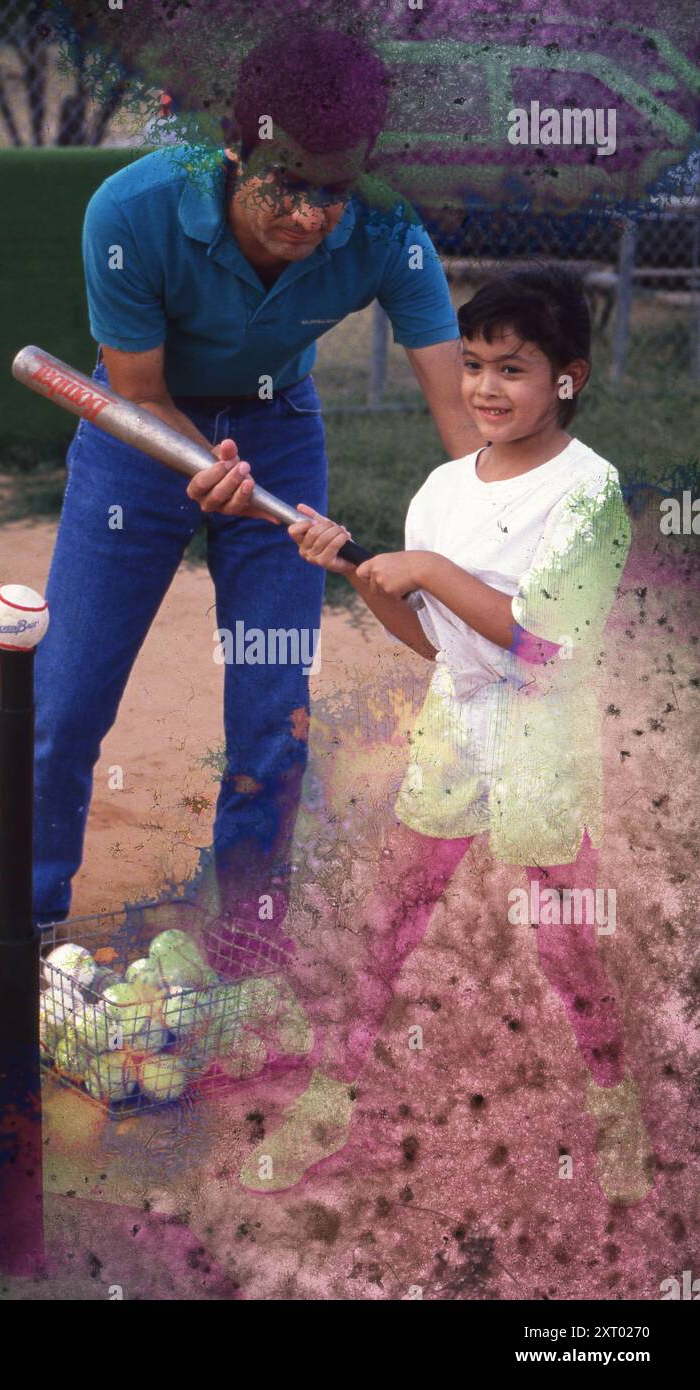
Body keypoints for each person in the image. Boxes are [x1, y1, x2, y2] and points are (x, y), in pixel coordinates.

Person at [0, 24, 483, 999]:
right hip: (141, 433)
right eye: (286, 184)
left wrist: (511, 529)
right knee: (68, 698)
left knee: (272, 709)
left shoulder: (384, 228)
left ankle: (244, 935)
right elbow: (139, 390)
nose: (310, 215)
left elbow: (461, 413)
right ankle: (22, 915)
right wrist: (205, 465)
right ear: (237, 146)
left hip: (279, 427)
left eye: (333, 190)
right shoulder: (133, 210)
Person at [249, 265, 654, 1206]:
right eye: (472, 364)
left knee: (566, 942)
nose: (483, 388)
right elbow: (431, 642)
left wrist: (425, 566)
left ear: (568, 378)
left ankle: (613, 1103)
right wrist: (364, 576)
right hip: (455, 725)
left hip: (540, 736)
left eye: (512, 368)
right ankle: (330, 1096)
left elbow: (545, 643)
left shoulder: (589, 492)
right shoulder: (438, 488)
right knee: (389, 919)